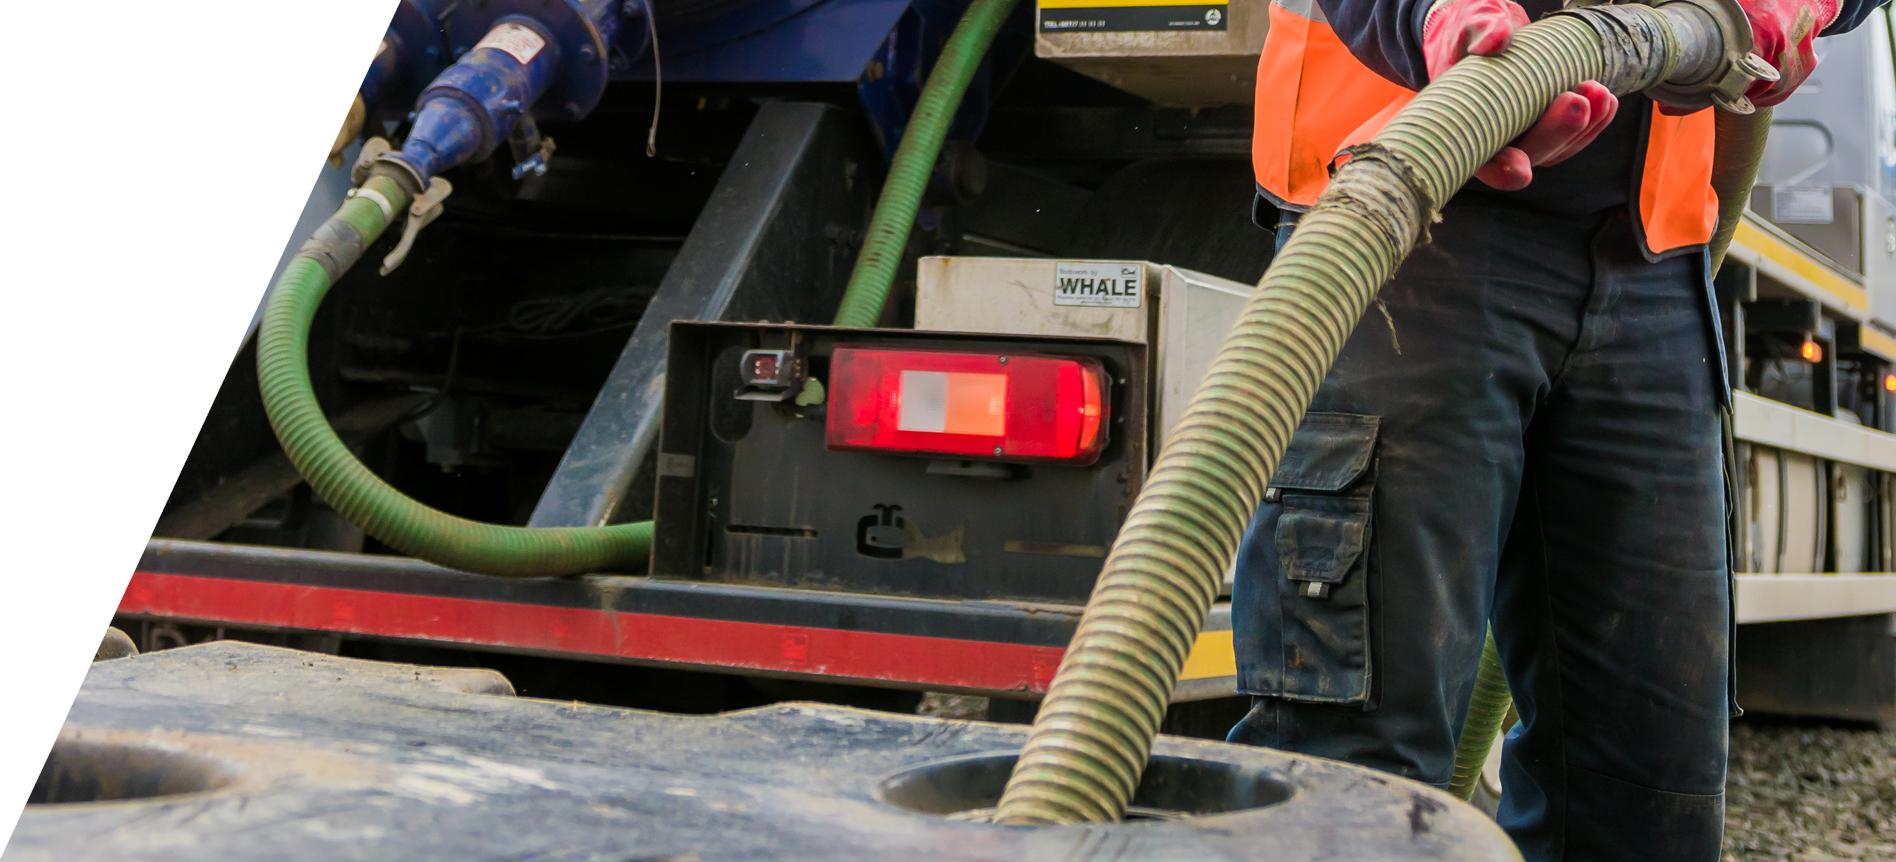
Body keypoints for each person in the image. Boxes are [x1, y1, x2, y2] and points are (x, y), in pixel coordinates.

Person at [1229, 0, 1889, 858]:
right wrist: (1429, 16)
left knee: (1646, 786)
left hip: (1647, 258)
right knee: (1355, 788)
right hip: (1406, 212)